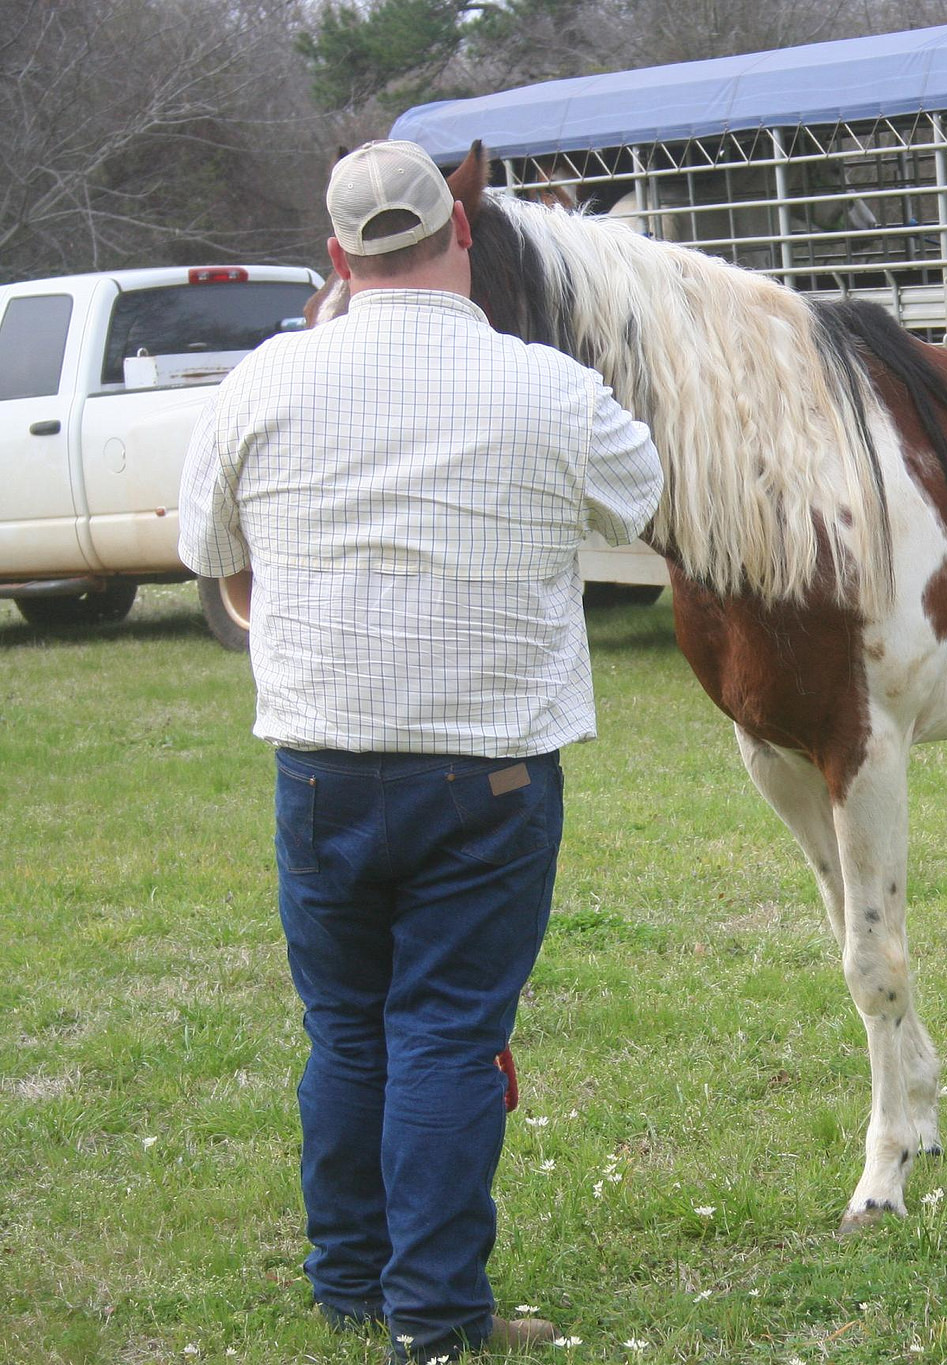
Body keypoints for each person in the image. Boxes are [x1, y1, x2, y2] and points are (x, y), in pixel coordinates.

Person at [179, 140, 664, 1362]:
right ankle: (436, 1317)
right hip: (488, 768)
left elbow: (202, 545)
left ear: (339, 253)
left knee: (347, 1032)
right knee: (445, 1033)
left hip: (323, 762)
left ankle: (348, 1282)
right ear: (458, 236)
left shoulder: (264, 380)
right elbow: (642, 491)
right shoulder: (542, 385)